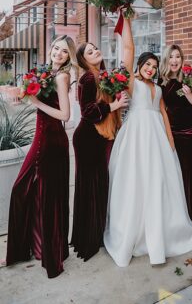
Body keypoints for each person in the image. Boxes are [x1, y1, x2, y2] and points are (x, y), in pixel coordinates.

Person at [104, 16, 192, 267]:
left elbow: (163, 114)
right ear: (139, 65)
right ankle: (133, 231)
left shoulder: (157, 88)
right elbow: (128, 48)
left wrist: (170, 141)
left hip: (157, 136)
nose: (150, 68)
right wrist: (125, 19)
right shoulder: (131, 82)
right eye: (147, 64)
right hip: (136, 135)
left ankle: (165, 229)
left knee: (159, 179)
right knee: (136, 178)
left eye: (154, 66)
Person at [5, 35, 74, 278]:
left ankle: (48, 253)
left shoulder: (62, 77)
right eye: (56, 47)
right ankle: (31, 247)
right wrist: (23, 97)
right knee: (28, 191)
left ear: (68, 56)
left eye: (64, 51)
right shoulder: (45, 73)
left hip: (52, 141)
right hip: (42, 137)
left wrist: (36, 102)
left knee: (43, 195)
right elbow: (34, 101)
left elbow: (65, 115)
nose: (58, 53)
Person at [70, 40, 129, 260]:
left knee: (96, 186)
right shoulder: (88, 77)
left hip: (97, 137)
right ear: (83, 59)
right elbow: (87, 111)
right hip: (88, 138)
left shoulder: (101, 75)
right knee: (92, 187)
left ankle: (92, 235)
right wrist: (114, 105)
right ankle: (89, 239)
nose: (95, 51)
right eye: (90, 51)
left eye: (95, 48)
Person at [159, 44, 192, 224]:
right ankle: (183, 211)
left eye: (178, 56)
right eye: (171, 56)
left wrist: (188, 93)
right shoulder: (161, 81)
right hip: (175, 131)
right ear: (166, 59)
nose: (174, 60)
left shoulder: (189, 76)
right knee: (180, 172)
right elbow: (162, 108)